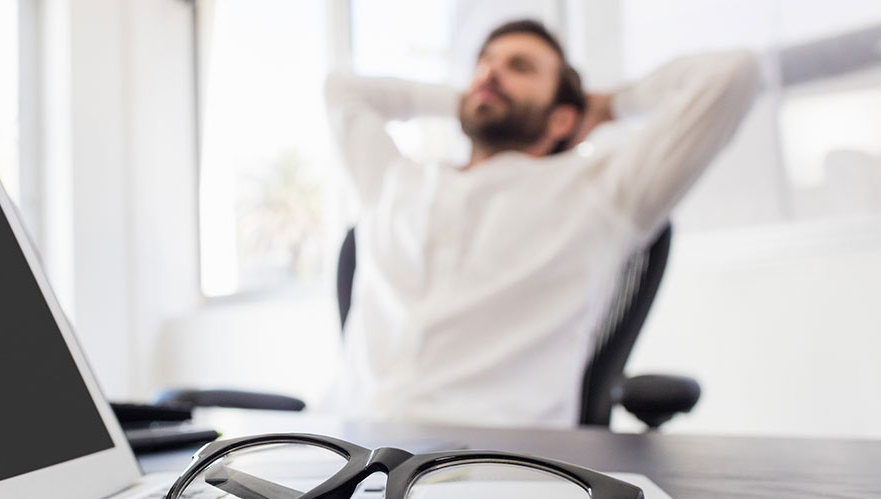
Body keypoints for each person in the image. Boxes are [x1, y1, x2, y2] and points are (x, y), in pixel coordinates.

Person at [323, 20, 761, 427]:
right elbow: (342, 89)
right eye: (483, 64)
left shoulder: (602, 191)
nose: (490, 73)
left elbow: (732, 75)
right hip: (340, 449)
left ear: (563, 118)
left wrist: (608, 106)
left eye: (519, 67)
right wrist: (465, 99)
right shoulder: (395, 180)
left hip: (497, 465)